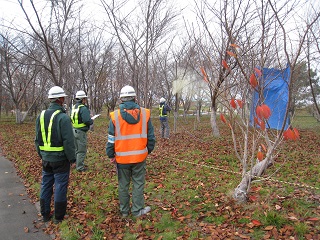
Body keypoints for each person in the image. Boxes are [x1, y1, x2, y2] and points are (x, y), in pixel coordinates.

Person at [106, 85, 156, 218]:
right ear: (134, 97)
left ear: (121, 99)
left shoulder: (115, 116)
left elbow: (111, 140)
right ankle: (137, 210)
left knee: (123, 184)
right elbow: (151, 138)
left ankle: (124, 211)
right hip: (140, 157)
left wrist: (111, 155)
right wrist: (147, 151)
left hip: (122, 159)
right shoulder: (145, 113)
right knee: (138, 183)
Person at [35, 86, 76, 224]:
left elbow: (37, 139)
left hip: (46, 159)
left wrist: (42, 155)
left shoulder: (40, 116)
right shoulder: (63, 118)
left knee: (46, 185)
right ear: (60, 99)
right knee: (60, 186)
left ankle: (45, 214)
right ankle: (59, 217)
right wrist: (72, 158)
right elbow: (68, 141)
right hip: (61, 160)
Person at [70, 90, 93, 172]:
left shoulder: (74, 107)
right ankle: (80, 167)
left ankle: (76, 163)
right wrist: (91, 121)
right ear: (82, 99)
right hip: (80, 132)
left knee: (76, 149)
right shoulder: (83, 108)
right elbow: (87, 120)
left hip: (74, 130)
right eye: (85, 99)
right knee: (81, 150)